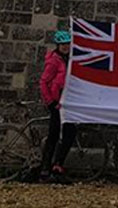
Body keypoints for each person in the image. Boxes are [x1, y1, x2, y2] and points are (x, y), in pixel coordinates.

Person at [38, 28, 76, 183]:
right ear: (58, 46)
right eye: (63, 44)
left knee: (68, 133)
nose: (65, 47)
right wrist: (50, 102)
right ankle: (46, 169)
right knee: (54, 136)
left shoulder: (69, 59)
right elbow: (44, 82)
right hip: (56, 104)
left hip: (66, 102)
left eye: (67, 44)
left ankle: (56, 165)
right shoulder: (54, 61)